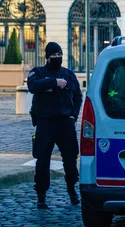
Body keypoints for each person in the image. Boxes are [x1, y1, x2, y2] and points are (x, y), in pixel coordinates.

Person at [27, 42, 83, 209]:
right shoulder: (38, 72)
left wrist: (74, 114)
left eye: (60, 55)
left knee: (71, 159)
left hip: (66, 122)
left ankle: (72, 188)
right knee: (43, 160)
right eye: (54, 56)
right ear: (47, 57)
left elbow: (78, 96)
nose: (57, 58)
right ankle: (41, 195)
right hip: (45, 122)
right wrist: (53, 82)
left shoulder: (68, 74)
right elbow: (32, 86)